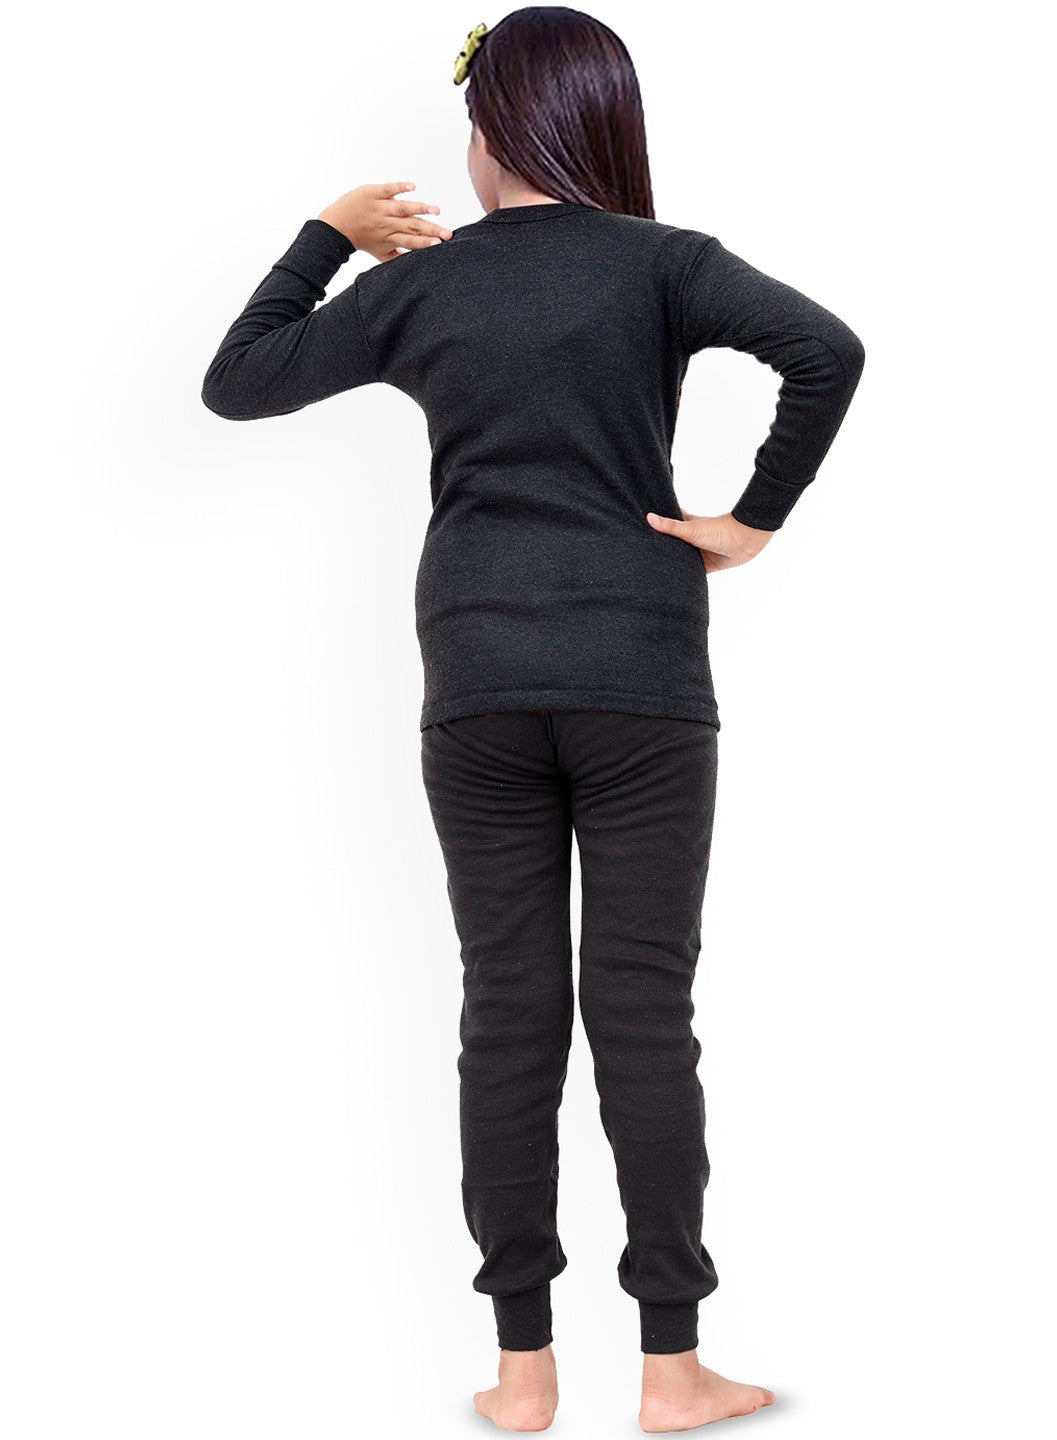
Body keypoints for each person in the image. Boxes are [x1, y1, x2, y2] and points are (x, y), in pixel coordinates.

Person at [201, 7, 865, 1431]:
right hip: (642, 677)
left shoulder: (425, 284)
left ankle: (522, 1373)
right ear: (604, 123)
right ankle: (673, 1370)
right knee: (643, 1012)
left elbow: (238, 382)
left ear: (488, 131)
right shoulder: (665, 264)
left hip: (478, 677)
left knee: (507, 1012)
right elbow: (828, 350)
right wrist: (752, 521)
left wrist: (327, 235)